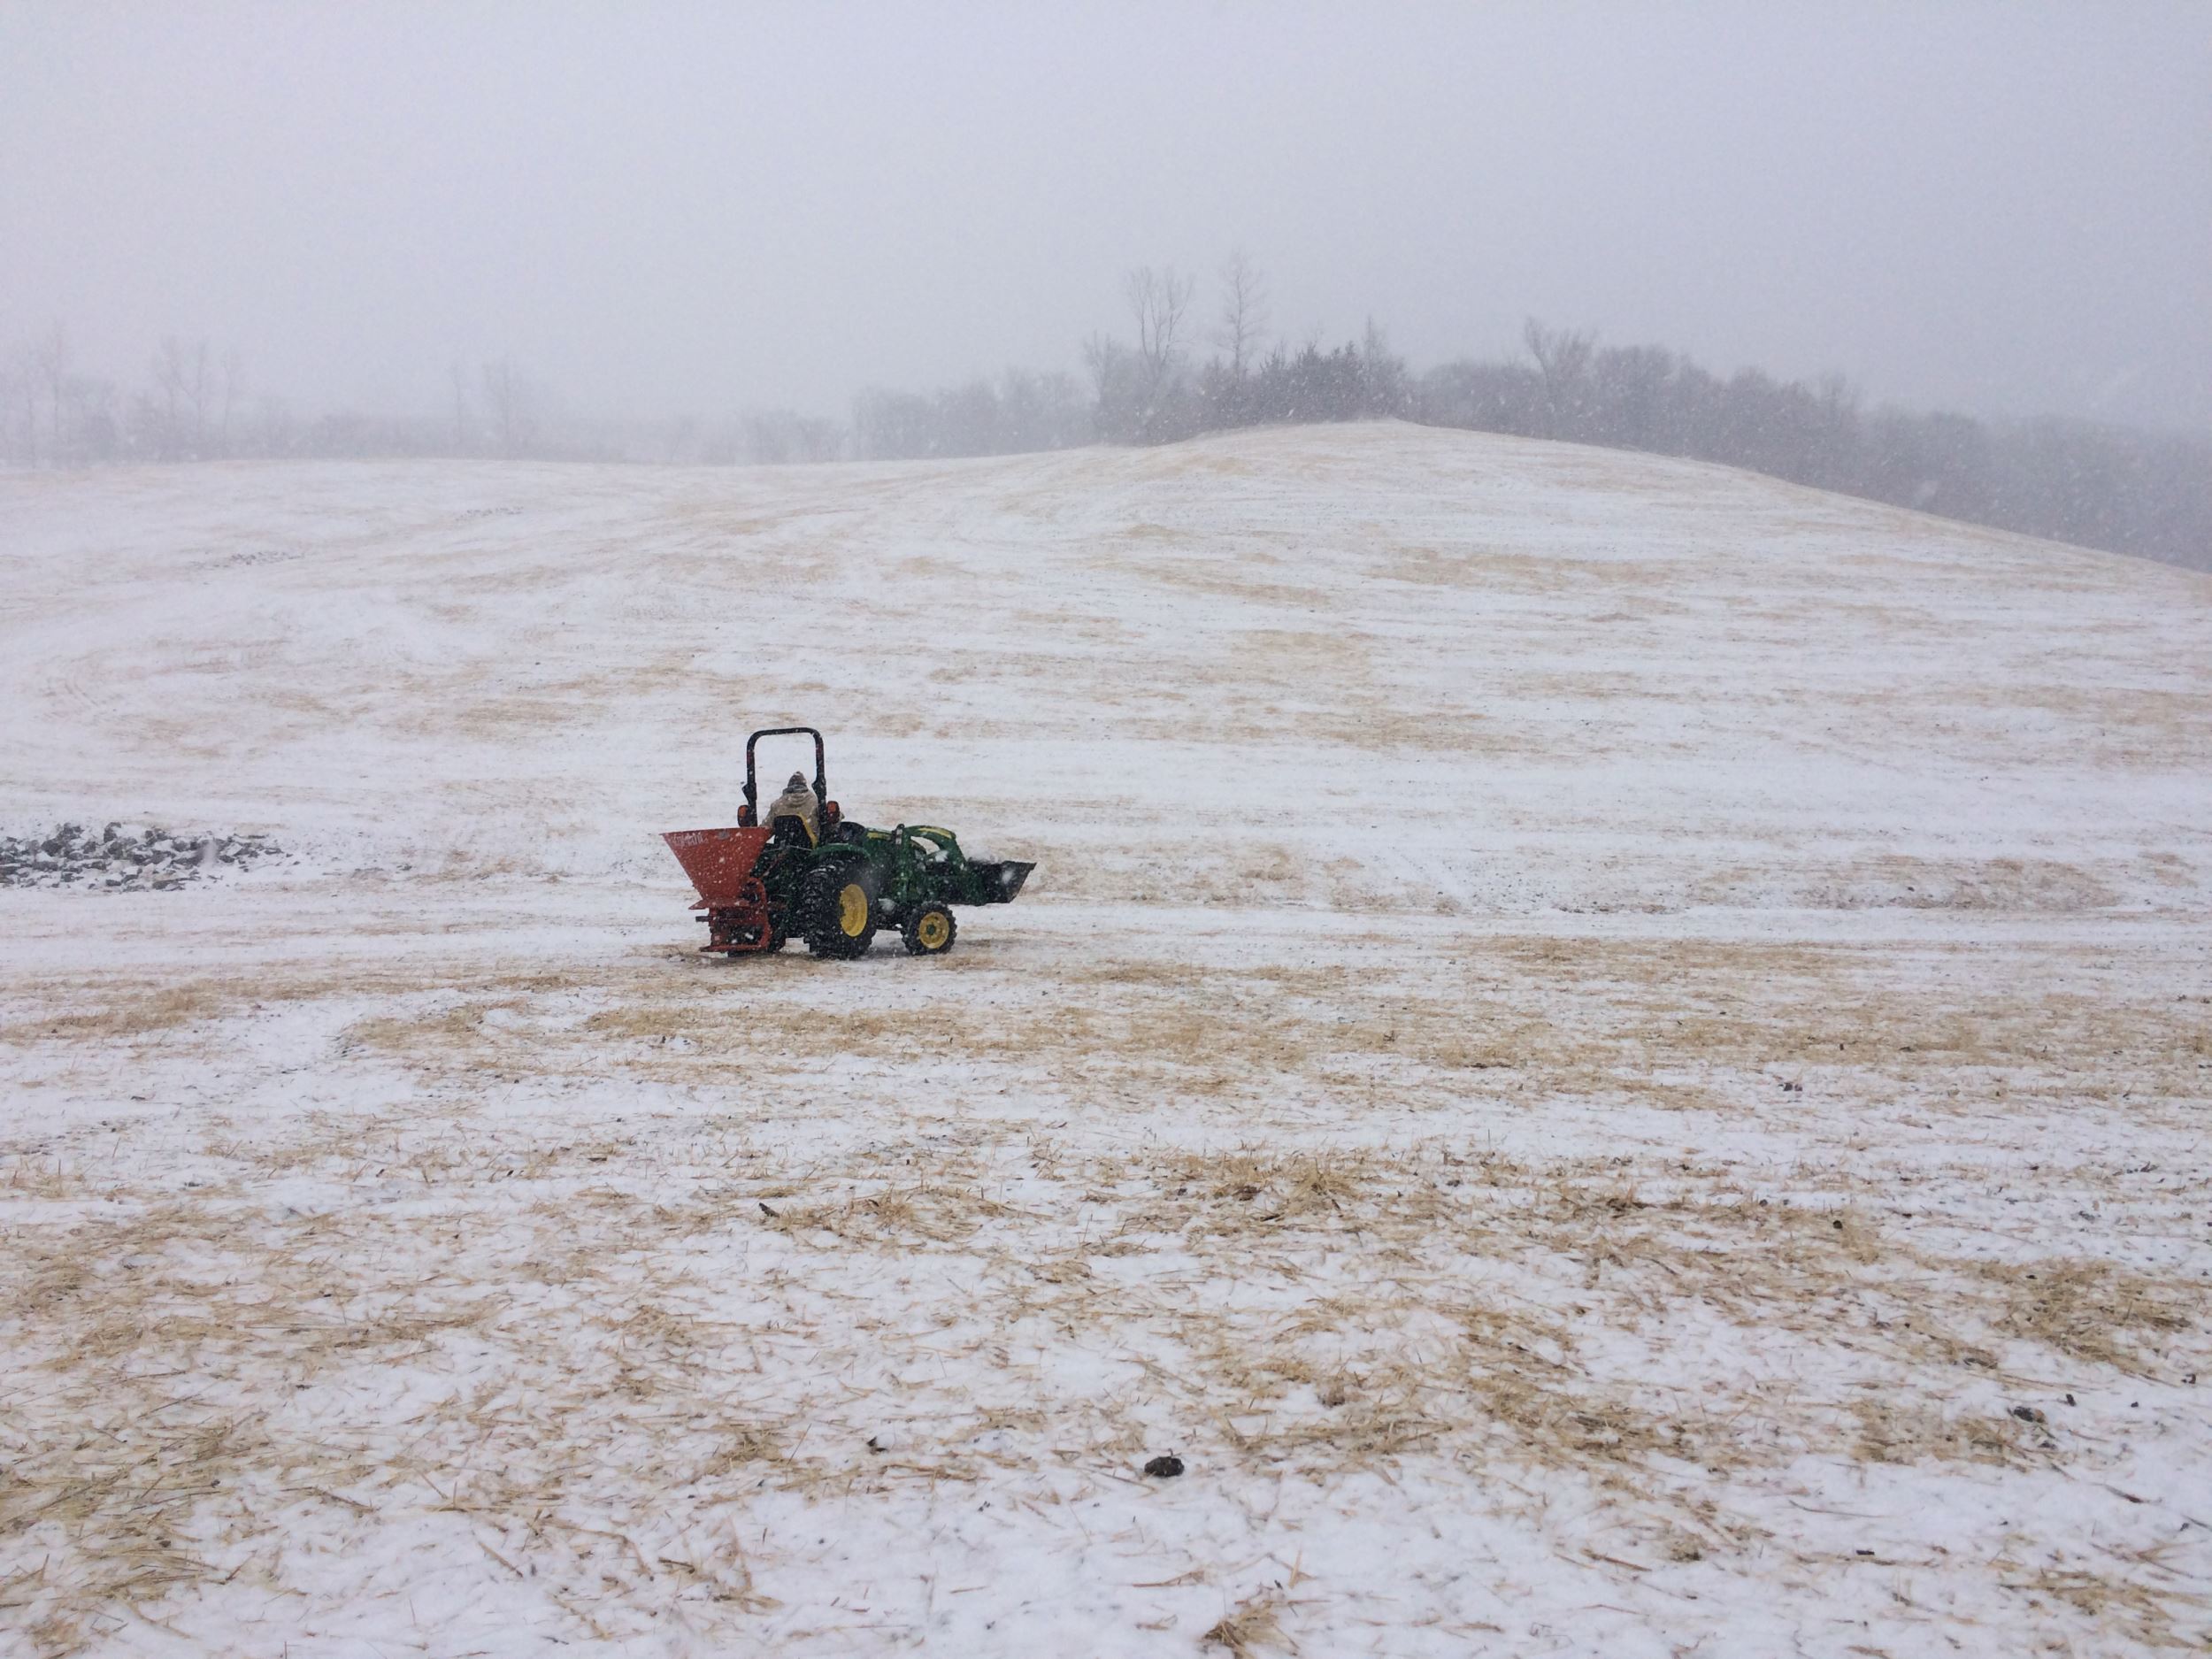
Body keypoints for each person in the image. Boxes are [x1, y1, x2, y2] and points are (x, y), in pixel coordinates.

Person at [765, 770, 820, 844]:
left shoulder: (777, 804)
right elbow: (831, 820)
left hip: (782, 847)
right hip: (809, 847)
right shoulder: (815, 802)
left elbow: (766, 829)